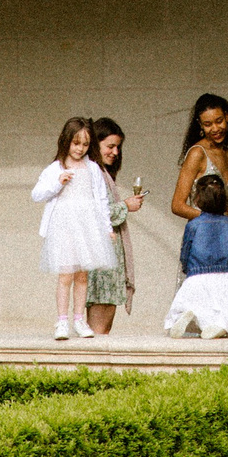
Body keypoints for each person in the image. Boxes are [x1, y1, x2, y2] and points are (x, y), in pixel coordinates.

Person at [31, 115, 118, 340]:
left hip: (86, 227)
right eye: (76, 143)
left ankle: (79, 320)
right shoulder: (56, 168)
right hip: (64, 227)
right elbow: (37, 194)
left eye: (85, 144)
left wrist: (106, 227)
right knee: (65, 275)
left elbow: (100, 200)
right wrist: (57, 182)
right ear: (66, 141)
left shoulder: (93, 169)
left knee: (82, 276)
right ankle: (62, 321)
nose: (80, 148)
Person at [163, 172, 228, 338]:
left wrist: (187, 267)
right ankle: (220, 326)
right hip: (225, 274)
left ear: (197, 200)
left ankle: (184, 316)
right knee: (224, 306)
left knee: (191, 301)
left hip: (197, 273)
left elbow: (186, 248)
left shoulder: (194, 225)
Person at [84, 117, 146, 336]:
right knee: (98, 330)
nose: (115, 152)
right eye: (110, 146)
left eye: (118, 147)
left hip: (110, 264)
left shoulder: (103, 174)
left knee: (104, 328)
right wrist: (125, 206)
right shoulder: (91, 174)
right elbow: (92, 214)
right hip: (101, 265)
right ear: (95, 145)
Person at [170, 93, 228, 246]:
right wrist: (213, 220)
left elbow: (225, 204)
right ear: (200, 125)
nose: (215, 128)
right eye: (208, 124)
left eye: (219, 121)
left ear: (226, 117)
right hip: (201, 237)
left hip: (223, 236)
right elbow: (177, 205)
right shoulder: (197, 153)